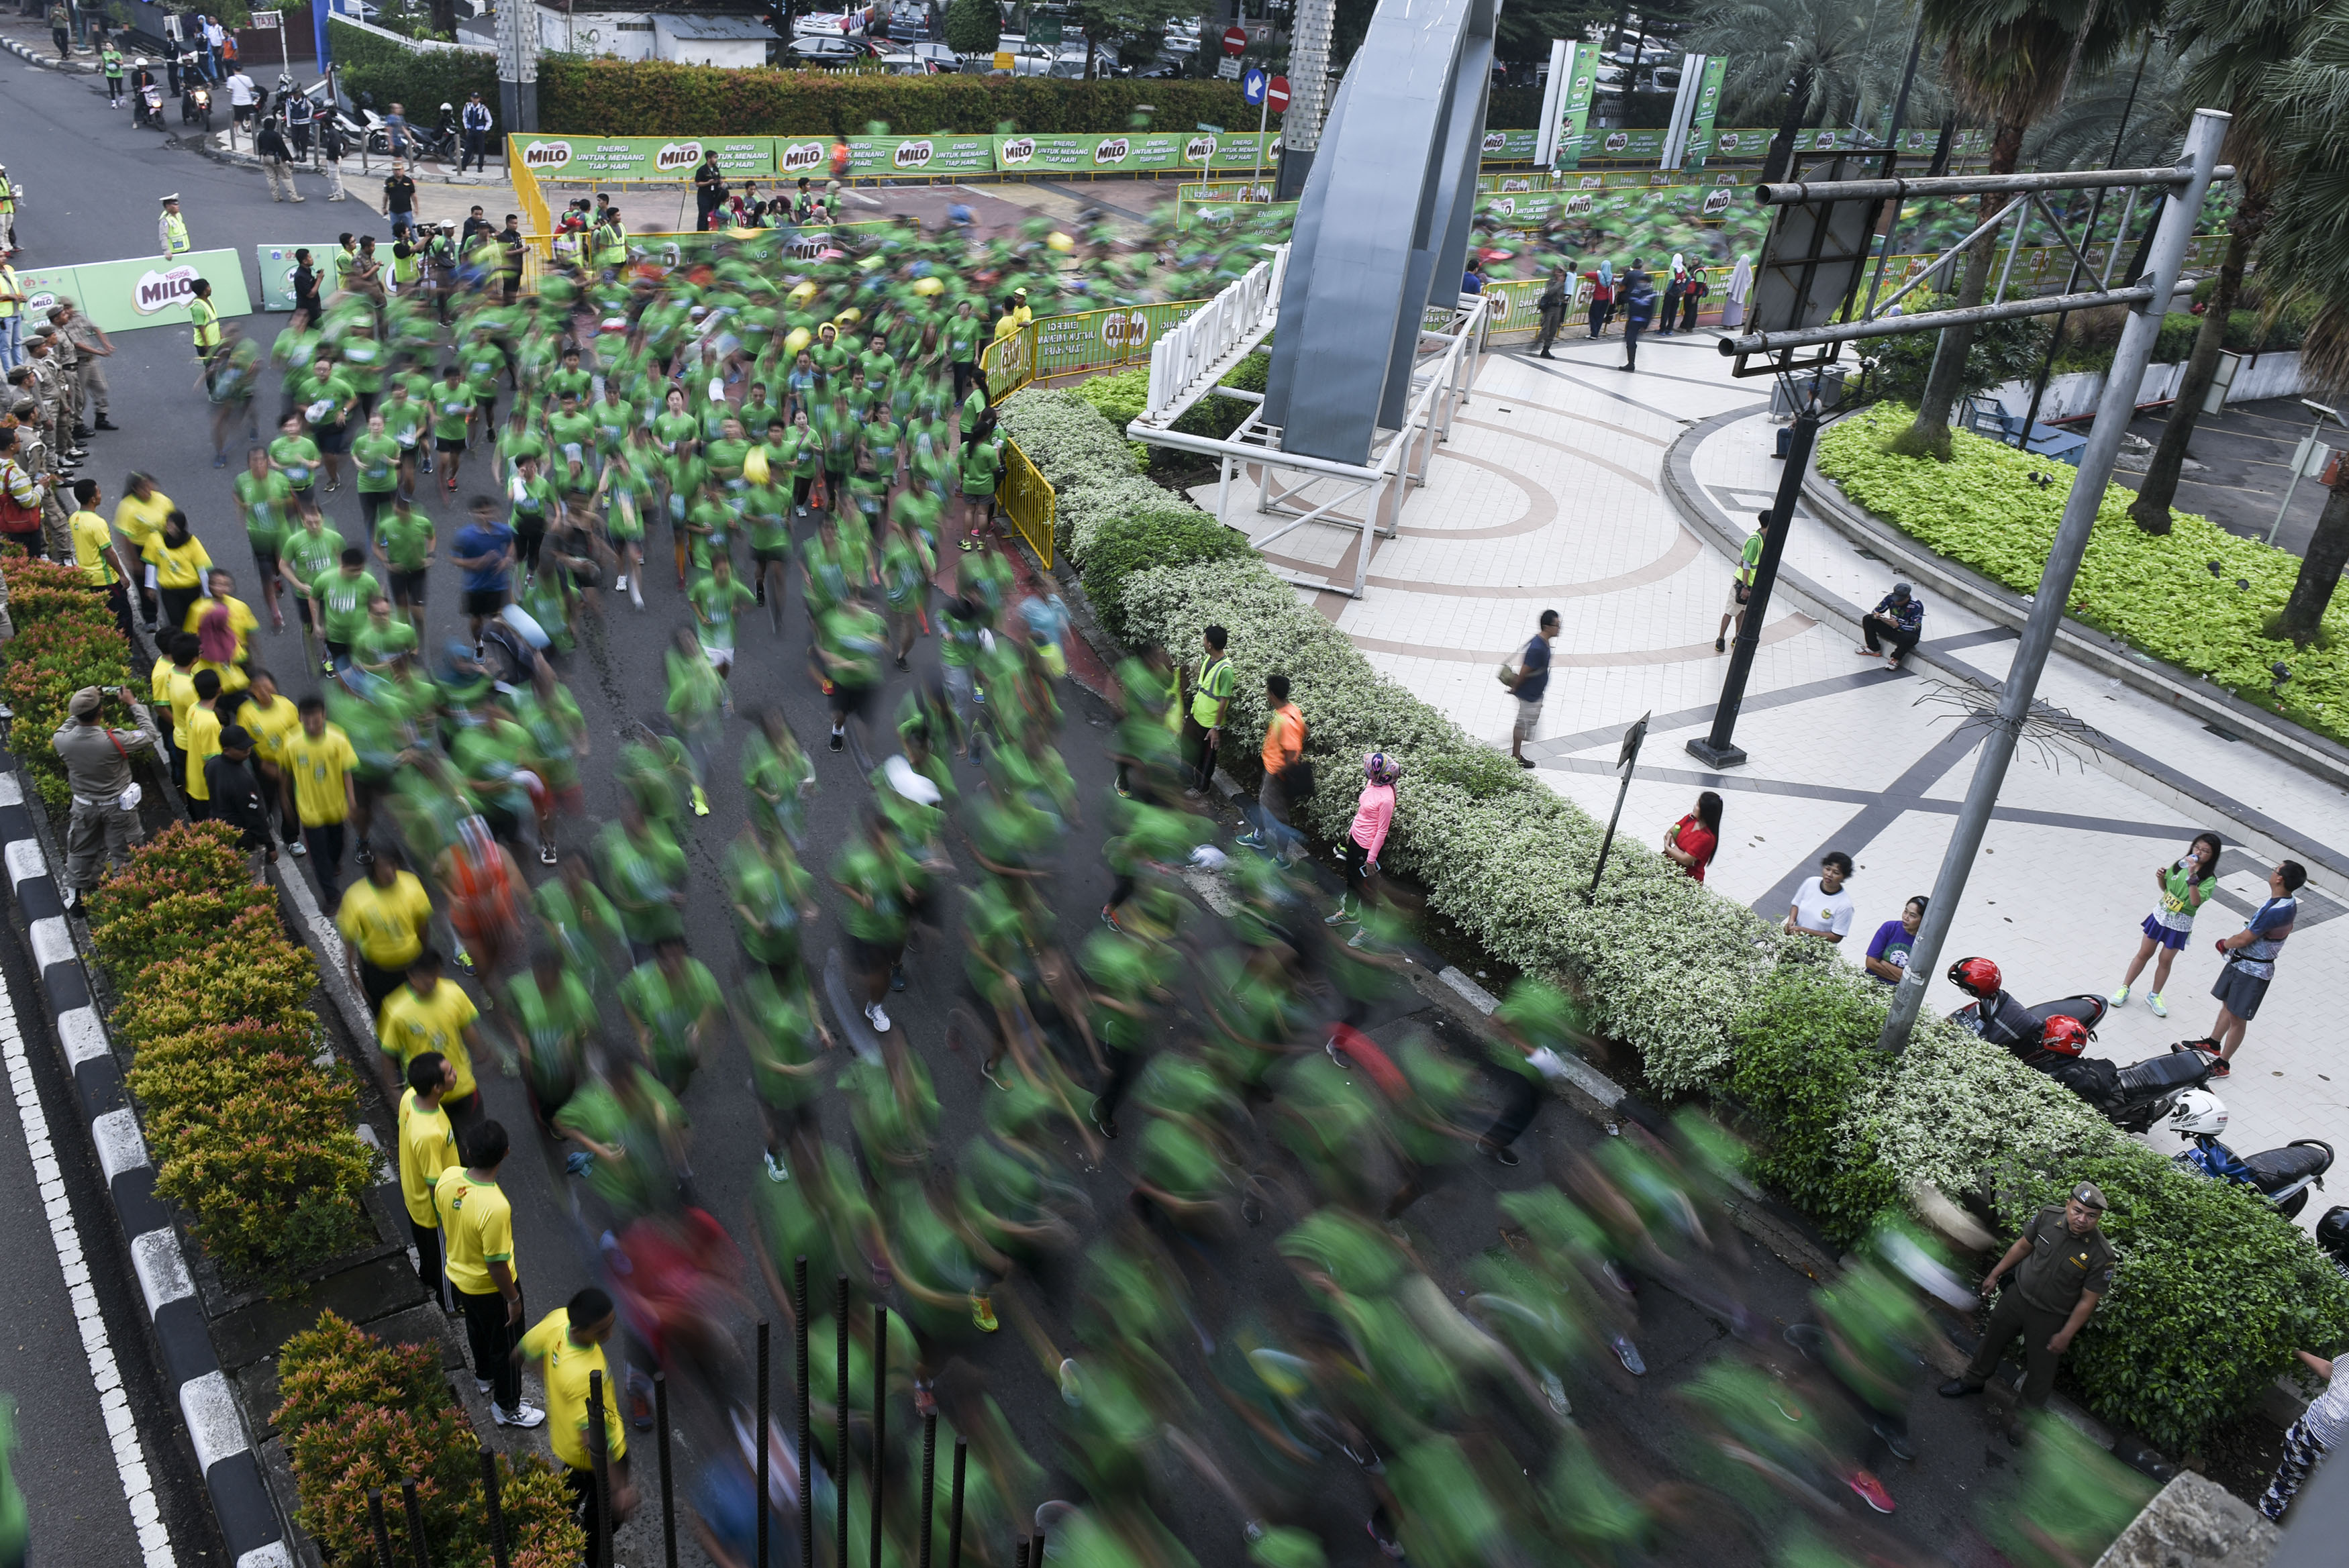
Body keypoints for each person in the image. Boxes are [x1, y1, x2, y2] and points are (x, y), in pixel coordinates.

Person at [1939, 1183, 2113, 1440]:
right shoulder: (2048, 1216)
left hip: (2050, 1316)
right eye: (2078, 1211)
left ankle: (2024, 1418)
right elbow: (2022, 1247)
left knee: (2041, 1372)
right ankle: (1972, 1381)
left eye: (2091, 1216)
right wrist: (1995, 1274)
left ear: (2098, 1219)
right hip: (2017, 1297)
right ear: (2068, 1205)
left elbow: (2088, 1301)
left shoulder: (2101, 1254)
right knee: (1992, 1341)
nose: (2082, 1219)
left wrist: (2066, 1333)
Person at [433, 1120, 544, 1429]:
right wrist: (513, 1299)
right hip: (491, 1288)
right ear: (506, 1153)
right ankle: (507, 1406)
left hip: (460, 1276)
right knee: (508, 1346)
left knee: (477, 1329)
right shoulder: (495, 1206)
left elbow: (443, 1214)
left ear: (468, 1152)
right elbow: (496, 1264)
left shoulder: (448, 1177)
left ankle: (483, 1377)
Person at [519, 1287, 637, 1562]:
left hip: (569, 1449)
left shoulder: (560, 1320)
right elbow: (594, 1440)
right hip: (601, 1455)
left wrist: (553, 1382)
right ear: (580, 1329)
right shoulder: (583, 1375)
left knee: (568, 1495)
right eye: (601, 1330)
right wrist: (619, 1489)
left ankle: (552, 1533)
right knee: (605, 1520)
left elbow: (522, 1351)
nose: (609, 1335)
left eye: (611, 1325)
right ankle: (592, 1561)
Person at [50, 686, 150, 908]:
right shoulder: (114, 741)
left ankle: (74, 899)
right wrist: (133, 704)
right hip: (118, 808)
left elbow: (69, 723)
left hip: (84, 806)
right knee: (124, 853)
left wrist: (83, 702)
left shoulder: (62, 740)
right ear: (101, 712)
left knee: (79, 851)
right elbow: (150, 734)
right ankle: (125, 901)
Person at [2109, 832, 2223, 1019]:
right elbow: (2166, 889)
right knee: (2144, 953)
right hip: (2161, 915)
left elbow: (2195, 902)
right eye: (2197, 847)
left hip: (2180, 923)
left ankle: (2154, 995)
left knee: (2165, 960)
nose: (2198, 853)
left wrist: (2192, 875)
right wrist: (2160, 878)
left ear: (2213, 856)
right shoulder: (2180, 865)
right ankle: (2124, 988)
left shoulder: (2209, 879)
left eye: (2205, 851)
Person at [2207, 859, 2305, 1074]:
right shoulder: (2286, 901)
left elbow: (2244, 938)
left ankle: (2223, 1064)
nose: (2272, 872)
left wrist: (2224, 944)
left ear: (2279, 879)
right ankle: (2213, 1043)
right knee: (2228, 1005)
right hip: (2243, 963)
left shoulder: (2276, 912)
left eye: (2275, 870)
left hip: (2253, 971)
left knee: (2238, 1018)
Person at [1477, 978, 1575, 1167]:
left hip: (1533, 1069)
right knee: (1522, 1111)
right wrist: (1530, 1050)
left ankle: (1493, 1140)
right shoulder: (1536, 998)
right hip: (1521, 1066)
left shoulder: (1550, 995)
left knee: (1526, 1108)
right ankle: (1492, 1143)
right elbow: (1497, 1020)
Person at [337, 845, 434, 1015]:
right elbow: (350, 939)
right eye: (382, 867)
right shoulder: (355, 896)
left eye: (392, 864)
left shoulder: (412, 884)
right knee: (384, 1014)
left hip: (411, 966)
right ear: (373, 869)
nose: (389, 871)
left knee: (417, 1011)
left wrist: (425, 957)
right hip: (378, 972)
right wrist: (351, 974)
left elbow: (423, 923)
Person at [2259, 1346, 2349, 1522]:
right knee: (2288, 1473)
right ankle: (2266, 1514)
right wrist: (2298, 1353)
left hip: (2336, 1452)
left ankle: (2308, 1530)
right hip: (2309, 1430)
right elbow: (2330, 1370)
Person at [397, 1051, 459, 1305]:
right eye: (450, 1073)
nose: (456, 1074)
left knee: (428, 1252)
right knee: (445, 1258)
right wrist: (448, 1218)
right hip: (433, 1212)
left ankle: (426, 1277)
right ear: (437, 1088)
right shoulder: (429, 1135)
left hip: (413, 1197)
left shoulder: (410, 1097)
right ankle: (450, 1303)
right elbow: (435, 1184)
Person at [283, 695, 358, 900]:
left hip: (336, 806)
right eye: (306, 720)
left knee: (337, 843)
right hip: (310, 810)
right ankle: (331, 895)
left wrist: (352, 801)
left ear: (324, 715)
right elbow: (286, 773)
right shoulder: (291, 741)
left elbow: (346, 770)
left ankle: (333, 864)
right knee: (318, 855)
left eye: (315, 720)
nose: (310, 725)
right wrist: (286, 802)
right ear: (299, 718)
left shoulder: (338, 738)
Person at [1236, 673, 1305, 865]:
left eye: (1267, 691)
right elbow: (1303, 733)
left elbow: (1292, 753)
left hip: (1277, 776)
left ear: (1272, 694)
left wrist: (1279, 773)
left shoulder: (1286, 721)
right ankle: (1259, 836)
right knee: (1264, 803)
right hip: (1273, 772)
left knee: (1279, 818)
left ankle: (1282, 859)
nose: (1266, 694)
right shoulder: (1291, 710)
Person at [1327, 750, 1399, 935]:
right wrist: (1352, 832)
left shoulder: (1387, 799)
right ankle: (1350, 913)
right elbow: (1362, 812)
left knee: (1367, 890)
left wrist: (1371, 859)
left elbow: (1382, 831)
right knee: (1352, 879)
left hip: (1367, 849)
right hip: (1356, 841)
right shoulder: (1372, 783)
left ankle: (1368, 929)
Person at [204, 725, 275, 877]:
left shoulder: (212, 765)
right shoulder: (242, 780)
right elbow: (254, 817)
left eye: (248, 745)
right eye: (241, 748)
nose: (247, 749)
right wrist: (270, 845)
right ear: (226, 750)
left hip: (220, 831)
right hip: (244, 840)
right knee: (253, 879)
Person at [1181, 623, 1232, 798]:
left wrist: (1216, 728)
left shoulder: (1226, 670)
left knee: (1206, 759)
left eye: (1204, 639)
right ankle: (1185, 781)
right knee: (1187, 749)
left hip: (1210, 724)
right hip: (1196, 715)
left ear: (1210, 644)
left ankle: (1201, 788)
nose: (1203, 642)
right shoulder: (1209, 660)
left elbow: (1224, 700)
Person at [1505, 609, 1558, 768]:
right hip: (1529, 693)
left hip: (1534, 692)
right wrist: (1515, 688)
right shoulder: (1538, 648)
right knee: (1523, 724)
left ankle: (1517, 750)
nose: (1559, 629)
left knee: (1526, 724)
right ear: (1547, 627)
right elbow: (1525, 669)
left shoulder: (1543, 643)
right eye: (1556, 625)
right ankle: (1516, 755)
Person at [1718, 513, 1765, 653]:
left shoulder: (1762, 540)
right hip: (1742, 582)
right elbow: (1747, 564)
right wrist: (1744, 586)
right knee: (1731, 610)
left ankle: (1737, 637)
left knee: (1742, 611)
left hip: (1751, 584)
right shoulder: (1755, 541)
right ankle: (1721, 638)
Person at [1786, 851, 1855, 944]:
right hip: (1794, 942)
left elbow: (1836, 937)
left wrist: (1805, 931)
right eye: (1828, 869)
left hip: (1816, 950)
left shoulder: (1845, 905)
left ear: (1844, 877)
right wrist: (1791, 921)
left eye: (1836, 873)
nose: (1829, 874)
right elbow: (1796, 905)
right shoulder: (1811, 882)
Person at [1864, 896, 1929, 984]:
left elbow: (1914, 979)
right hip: (1871, 981)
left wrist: (1884, 964)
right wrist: (1902, 978)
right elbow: (1871, 963)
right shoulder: (1889, 927)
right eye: (1905, 912)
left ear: (1923, 920)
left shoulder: (1924, 943)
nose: (1906, 917)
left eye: (1912, 916)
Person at [1662, 791, 1721, 883]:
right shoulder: (1690, 818)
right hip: (1668, 867)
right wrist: (1676, 849)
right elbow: (1669, 833)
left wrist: (1669, 848)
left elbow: (1685, 860)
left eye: (1698, 805)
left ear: (1706, 811)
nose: (1694, 806)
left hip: (1685, 880)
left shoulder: (1707, 838)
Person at [1860, 583, 1923, 669]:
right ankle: (1873, 648)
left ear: (1907, 597)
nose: (1897, 602)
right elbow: (1876, 611)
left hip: (1905, 633)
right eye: (1896, 600)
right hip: (1892, 628)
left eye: (1900, 601)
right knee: (1868, 619)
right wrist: (1877, 616)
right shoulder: (1890, 598)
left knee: (1909, 637)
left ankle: (1895, 659)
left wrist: (1898, 626)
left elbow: (1916, 627)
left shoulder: (1917, 606)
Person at [257, 116, 303, 203]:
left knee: (271, 178)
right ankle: (293, 197)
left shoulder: (261, 134)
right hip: (275, 158)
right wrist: (290, 159)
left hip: (264, 157)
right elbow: (283, 148)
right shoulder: (275, 135)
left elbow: (259, 147)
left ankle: (276, 197)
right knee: (286, 177)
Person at [1618, 260, 1654, 372]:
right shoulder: (1635, 292)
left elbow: (1651, 311)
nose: (1641, 283)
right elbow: (1632, 306)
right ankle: (1631, 363)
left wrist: (1646, 325)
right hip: (1633, 320)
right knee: (1630, 341)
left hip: (1640, 321)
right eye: (1641, 281)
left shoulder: (1651, 295)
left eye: (1644, 281)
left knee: (1631, 340)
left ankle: (1631, 363)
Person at [1532, 266, 1567, 358]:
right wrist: (1559, 283)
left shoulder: (1563, 283)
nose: (1559, 274)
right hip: (1550, 308)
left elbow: (1562, 295)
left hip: (1558, 308)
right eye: (1558, 272)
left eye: (1561, 272)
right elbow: (1551, 292)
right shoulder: (1551, 282)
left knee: (1553, 330)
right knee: (1546, 329)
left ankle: (1546, 349)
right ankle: (1535, 344)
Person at [460, 91, 493, 174]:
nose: (475, 100)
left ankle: (480, 167)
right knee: (468, 149)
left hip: (480, 132)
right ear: (471, 98)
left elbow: (489, 120)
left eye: (477, 98)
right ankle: (463, 166)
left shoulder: (483, 108)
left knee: (481, 150)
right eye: (474, 98)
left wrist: (485, 129)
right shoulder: (467, 106)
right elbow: (465, 117)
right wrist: (466, 127)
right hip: (471, 131)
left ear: (479, 99)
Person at [383, 162, 418, 238]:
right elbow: (386, 195)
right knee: (395, 231)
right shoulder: (389, 181)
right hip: (394, 211)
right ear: (393, 170)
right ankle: (396, 243)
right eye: (396, 170)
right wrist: (384, 207)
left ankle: (415, 244)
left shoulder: (408, 181)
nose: (398, 171)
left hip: (406, 210)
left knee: (410, 230)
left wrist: (416, 208)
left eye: (399, 169)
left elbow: (413, 195)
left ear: (403, 170)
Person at [158, 194, 192, 259]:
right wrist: (166, 250)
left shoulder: (178, 215)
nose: (178, 206)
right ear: (168, 206)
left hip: (184, 250)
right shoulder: (165, 220)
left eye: (177, 204)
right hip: (174, 253)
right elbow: (163, 236)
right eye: (175, 205)